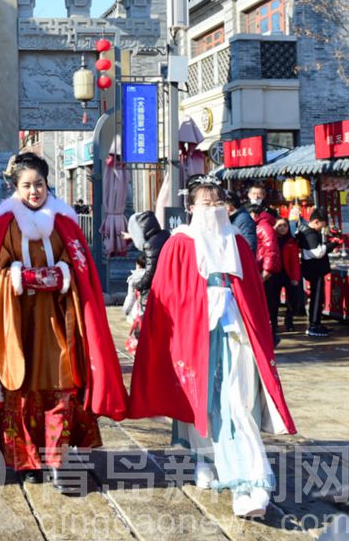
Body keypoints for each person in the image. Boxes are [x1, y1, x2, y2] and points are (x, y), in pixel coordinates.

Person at [0, 153, 127, 492]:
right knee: (20, 391)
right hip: (17, 322)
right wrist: (17, 277)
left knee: (62, 390)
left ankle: (56, 460)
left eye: (39, 184)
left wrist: (63, 275)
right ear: (16, 188)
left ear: (47, 185)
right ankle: (26, 461)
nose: (34, 191)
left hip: (59, 322)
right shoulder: (3, 226)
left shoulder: (65, 223)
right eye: (26, 185)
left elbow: (82, 270)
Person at [128, 175, 295, 519]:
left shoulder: (236, 241)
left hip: (236, 331)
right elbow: (165, 296)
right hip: (194, 335)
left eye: (218, 203)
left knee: (238, 402)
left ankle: (250, 483)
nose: (213, 210)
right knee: (199, 400)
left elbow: (254, 297)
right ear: (190, 208)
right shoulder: (180, 242)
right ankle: (202, 458)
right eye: (205, 204)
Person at [122, 211, 171, 354]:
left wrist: (140, 284)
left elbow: (150, 272)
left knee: (147, 326)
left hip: (154, 293)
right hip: (166, 287)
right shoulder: (164, 235)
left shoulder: (150, 245)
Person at [297, 208, 339, 338]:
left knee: (318, 297)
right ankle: (314, 326)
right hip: (315, 270)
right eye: (322, 225)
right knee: (316, 297)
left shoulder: (305, 231)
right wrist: (332, 245)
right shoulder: (310, 234)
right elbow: (318, 252)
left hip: (314, 269)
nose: (322, 228)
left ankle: (317, 323)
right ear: (316, 221)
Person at [247, 204, 282, 345]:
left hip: (266, 273)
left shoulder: (263, 226)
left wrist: (266, 271)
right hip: (263, 270)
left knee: (268, 306)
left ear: (254, 214)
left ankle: (271, 337)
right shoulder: (262, 225)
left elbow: (271, 250)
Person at [273, 217, 303, 333]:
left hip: (288, 273)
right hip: (274, 274)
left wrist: (295, 277)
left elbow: (295, 261)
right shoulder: (271, 239)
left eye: (285, 225)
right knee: (274, 301)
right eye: (279, 225)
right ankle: (274, 323)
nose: (282, 228)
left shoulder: (291, 241)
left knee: (294, 300)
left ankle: (289, 320)